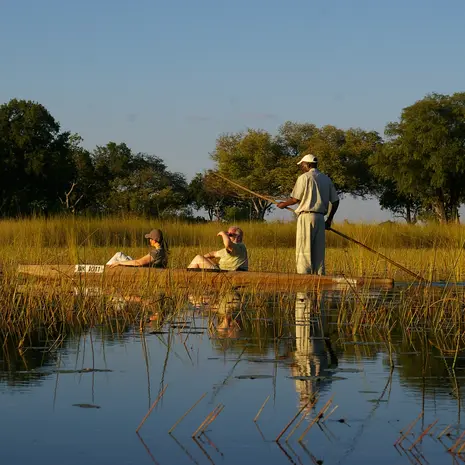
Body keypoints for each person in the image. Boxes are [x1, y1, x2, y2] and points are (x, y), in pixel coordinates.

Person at [277, 154, 339, 275]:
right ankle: (319, 277)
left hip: (306, 217)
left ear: (308, 164)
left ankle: (304, 278)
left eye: (302, 165)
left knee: (304, 250)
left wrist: (283, 205)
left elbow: (295, 199)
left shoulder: (304, 178)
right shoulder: (326, 179)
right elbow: (336, 201)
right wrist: (329, 220)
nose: (301, 167)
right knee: (319, 252)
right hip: (320, 218)